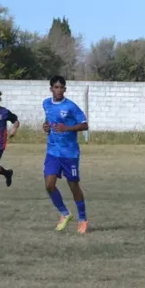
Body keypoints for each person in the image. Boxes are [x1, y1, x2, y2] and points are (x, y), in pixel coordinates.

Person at [42, 76, 90, 234]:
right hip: (53, 151)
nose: (59, 90)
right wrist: (46, 127)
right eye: (56, 87)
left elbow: (85, 125)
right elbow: (48, 121)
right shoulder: (46, 103)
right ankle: (64, 213)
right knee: (49, 185)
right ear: (51, 89)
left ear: (65, 89)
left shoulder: (71, 106)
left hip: (69, 152)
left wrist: (67, 129)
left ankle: (82, 218)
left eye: (61, 87)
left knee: (73, 185)